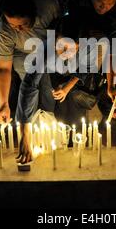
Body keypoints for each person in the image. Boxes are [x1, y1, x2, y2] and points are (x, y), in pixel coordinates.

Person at [13, 15, 102, 164]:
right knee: (48, 104)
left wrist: (68, 87)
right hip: (52, 73)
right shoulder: (46, 51)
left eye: (70, 48)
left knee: (73, 112)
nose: (64, 51)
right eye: (60, 45)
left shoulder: (90, 49)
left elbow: (85, 69)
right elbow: (29, 86)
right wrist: (25, 134)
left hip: (73, 74)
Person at [0, 0, 61, 125]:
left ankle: (48, 124)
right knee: (30, 85)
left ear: (33, 13)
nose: (18, 30)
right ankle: (32, 126)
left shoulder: (48, 6)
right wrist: (3, 103)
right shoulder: (4, 30)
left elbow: (64, 25)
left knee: (48, 89)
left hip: (49, 46)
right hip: (23, 53)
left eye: (23, 24)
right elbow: (3, 68)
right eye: (13, 26)